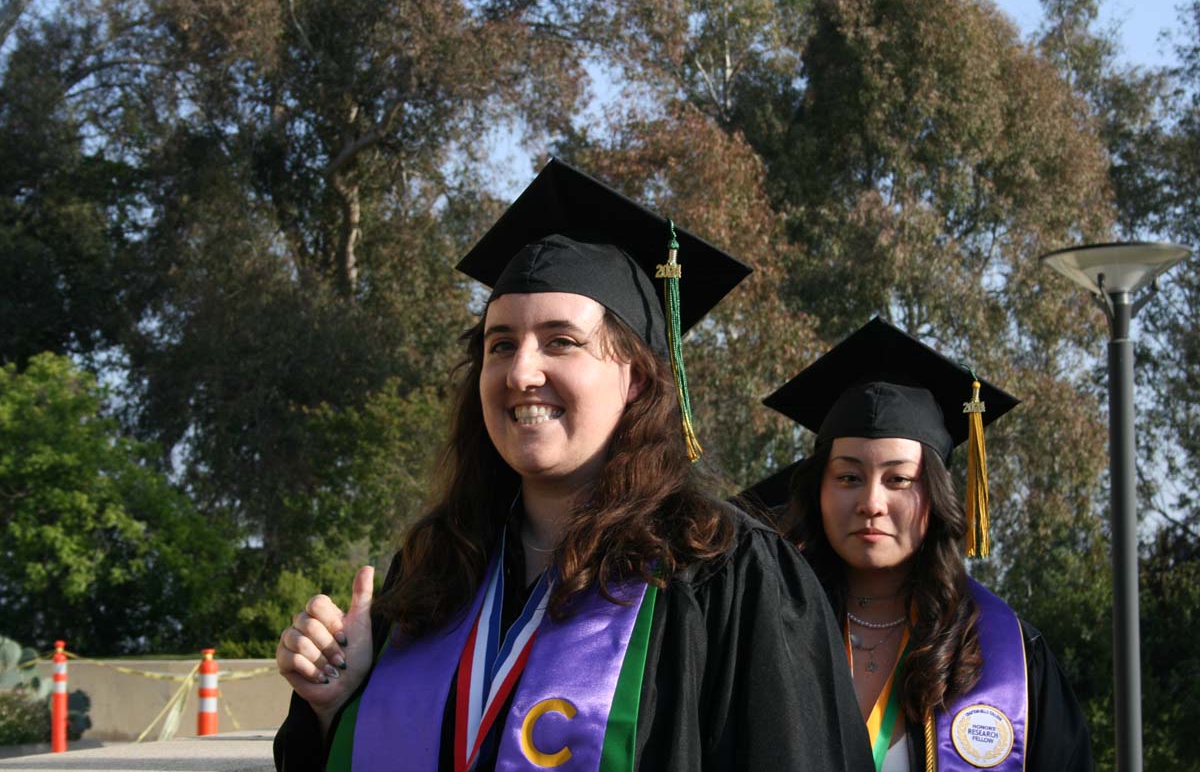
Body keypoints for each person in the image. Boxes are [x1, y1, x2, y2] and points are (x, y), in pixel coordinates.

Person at [273, 158, 872, 771]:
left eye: (561, 341)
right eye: (500, 344)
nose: (522, 372)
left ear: (636, 378)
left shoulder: (724, 573)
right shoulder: (436, 571)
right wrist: (330, 714)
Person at [758, 317, 1093, 771]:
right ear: (818, 490)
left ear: (935, 496)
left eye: (899, 479)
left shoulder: (1008, 653)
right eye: (848, 478)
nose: (871, 503)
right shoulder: (764, 627)